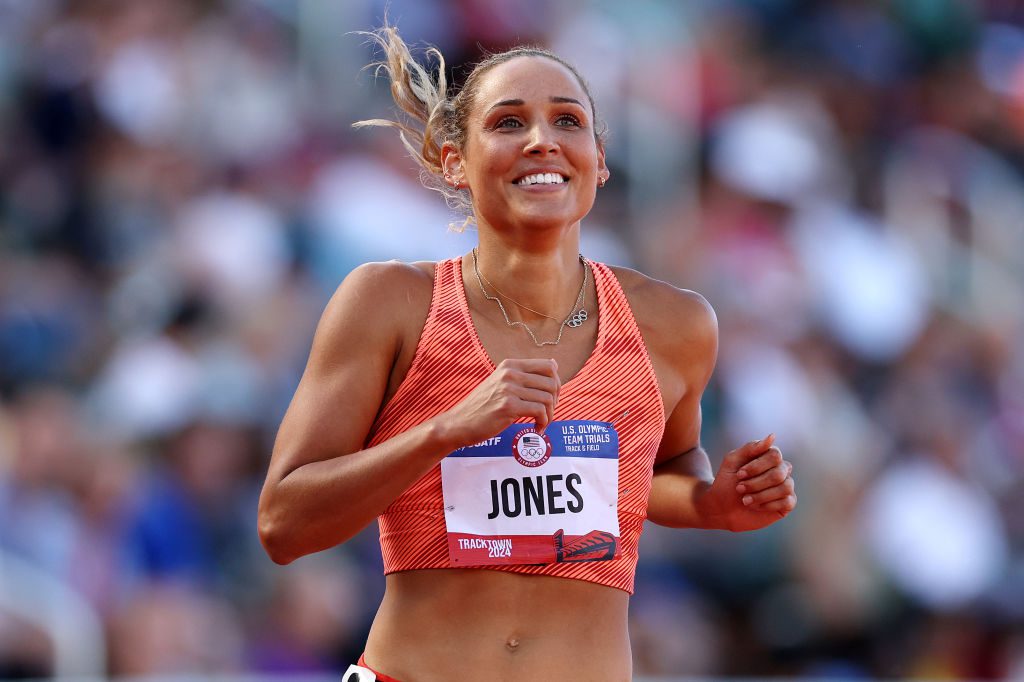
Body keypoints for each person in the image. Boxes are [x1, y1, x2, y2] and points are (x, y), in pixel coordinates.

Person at [257, 24, 796, 682]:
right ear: (452, 158)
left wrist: (711, 505)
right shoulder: (389, 302)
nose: (541, 139)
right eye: (508, 122)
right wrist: (445, 431)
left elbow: (657, 472)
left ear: (597, 159)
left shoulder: (675, 324)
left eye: (566, 121)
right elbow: (284, 525)